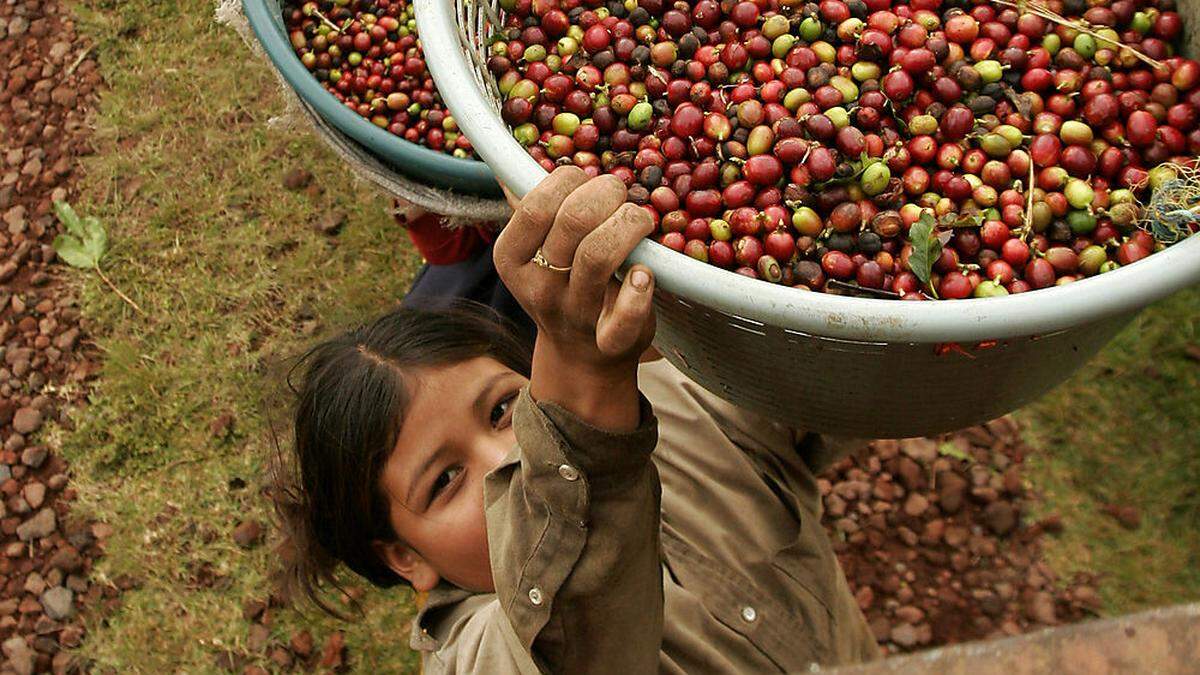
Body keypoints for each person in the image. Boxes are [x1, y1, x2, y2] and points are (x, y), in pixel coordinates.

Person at [277, 166, 881, 673]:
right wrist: (581, 394)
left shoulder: (681, 402)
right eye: (445, 481)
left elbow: (849, 382)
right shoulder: (474, 655)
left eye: (504, 409)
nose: (511, 456)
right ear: (406, 559)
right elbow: (568, 638)